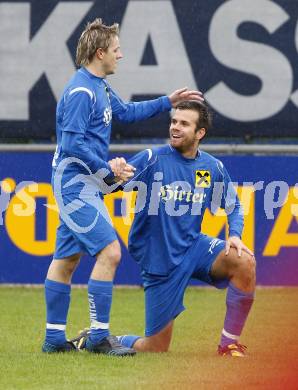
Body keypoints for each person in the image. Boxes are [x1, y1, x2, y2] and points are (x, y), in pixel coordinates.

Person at [42, 18, 203, 355]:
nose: (121, 55)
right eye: (116, 49)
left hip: (84, 183)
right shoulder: (82, 91)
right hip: (76, 186)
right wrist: (107, 167)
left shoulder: (97, 86)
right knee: (111, 252)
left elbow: (126, 112)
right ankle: (99, 337)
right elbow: (71, 144)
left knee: (66, 259)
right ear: (100, 52)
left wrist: (166, 101)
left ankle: (54, 338)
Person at [74, 100, 256, 357]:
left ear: (200, 133)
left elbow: (234, 205)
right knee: (156, 347)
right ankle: (99, 338)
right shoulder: (152, 159)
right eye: (173, 121)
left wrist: (234, 235)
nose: (175, 127)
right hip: (160, 258)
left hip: (194, 247)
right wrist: (112, 172)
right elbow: (110, 187)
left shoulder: (212, 167)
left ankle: (229, 345)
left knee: (245, 261)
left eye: (184, 123)